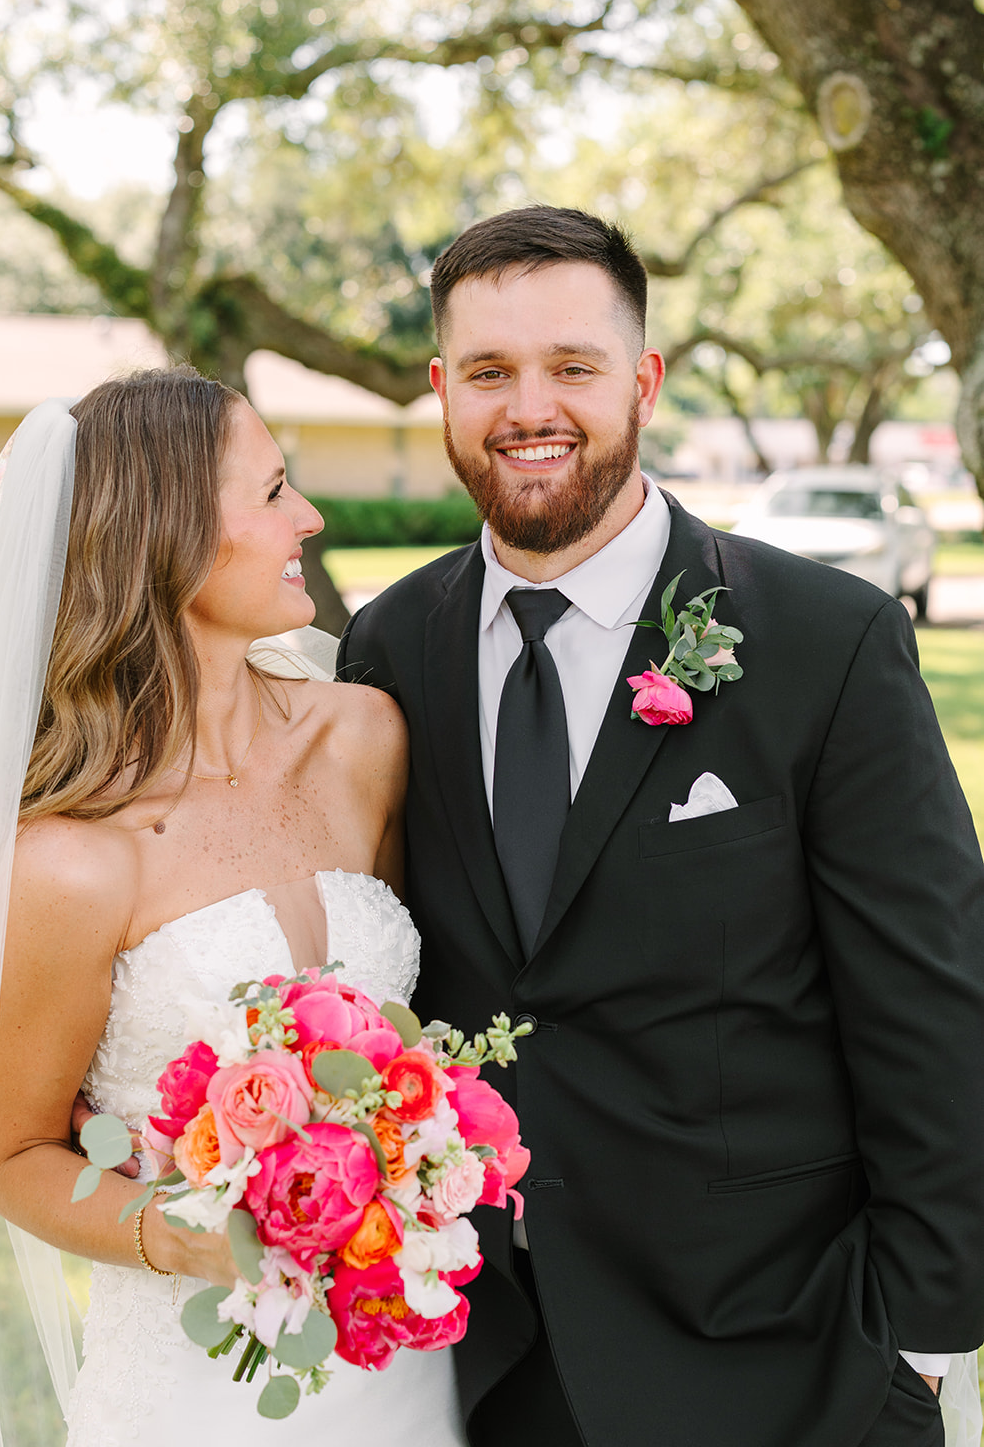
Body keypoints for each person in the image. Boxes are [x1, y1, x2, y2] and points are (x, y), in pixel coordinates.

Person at [337, 205, 984, 1447]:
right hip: (487, 1361)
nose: (530, 406)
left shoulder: (822, 639)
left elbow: (931, 1008)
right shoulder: (389, 647)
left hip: (785, 1360)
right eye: (488, 372)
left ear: (642, 381)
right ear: (439, 390)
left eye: (571, 367)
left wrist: (919, 1337)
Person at [0, 368, 468, 1447]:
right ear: (167, 538)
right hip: (200, 1384)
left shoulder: (363, 741)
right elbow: (8, 1155)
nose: (308, 515)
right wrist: (182, 1233)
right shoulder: (73, 862)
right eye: (271, 492)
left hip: (404, 1356)